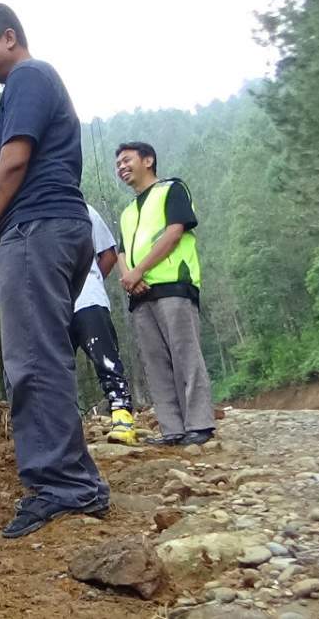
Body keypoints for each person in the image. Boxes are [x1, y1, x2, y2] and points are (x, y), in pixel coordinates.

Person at [0, 3, 109, 538]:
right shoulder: (34, 81)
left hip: (39, 229)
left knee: (31, 361)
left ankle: (64, 487)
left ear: (8, 37)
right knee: (42, 354)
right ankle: (72, 481)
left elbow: (16, 158)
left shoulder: (28, 75)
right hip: (58, 229)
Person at [115, 141, 215, 445]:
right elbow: (120, 251)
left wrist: (139, 270)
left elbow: (174, 233)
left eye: (127, 160)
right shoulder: (127, 212)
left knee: (186, 354)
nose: (121, 167)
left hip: (173, 286)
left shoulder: (172, 189)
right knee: (155, 363)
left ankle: (199, 424)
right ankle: (172, 429)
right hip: (140, 294)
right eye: (117, 164)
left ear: (148, 160)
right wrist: (129, 278)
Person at [71, 204, 137, 445]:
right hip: (51, 306)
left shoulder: (84, 210)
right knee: (56, 369)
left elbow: (108, 253)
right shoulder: (30, 210)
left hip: (89, 298)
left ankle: (122, 416)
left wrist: (89, 280)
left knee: (106, 360)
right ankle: (66, 429)